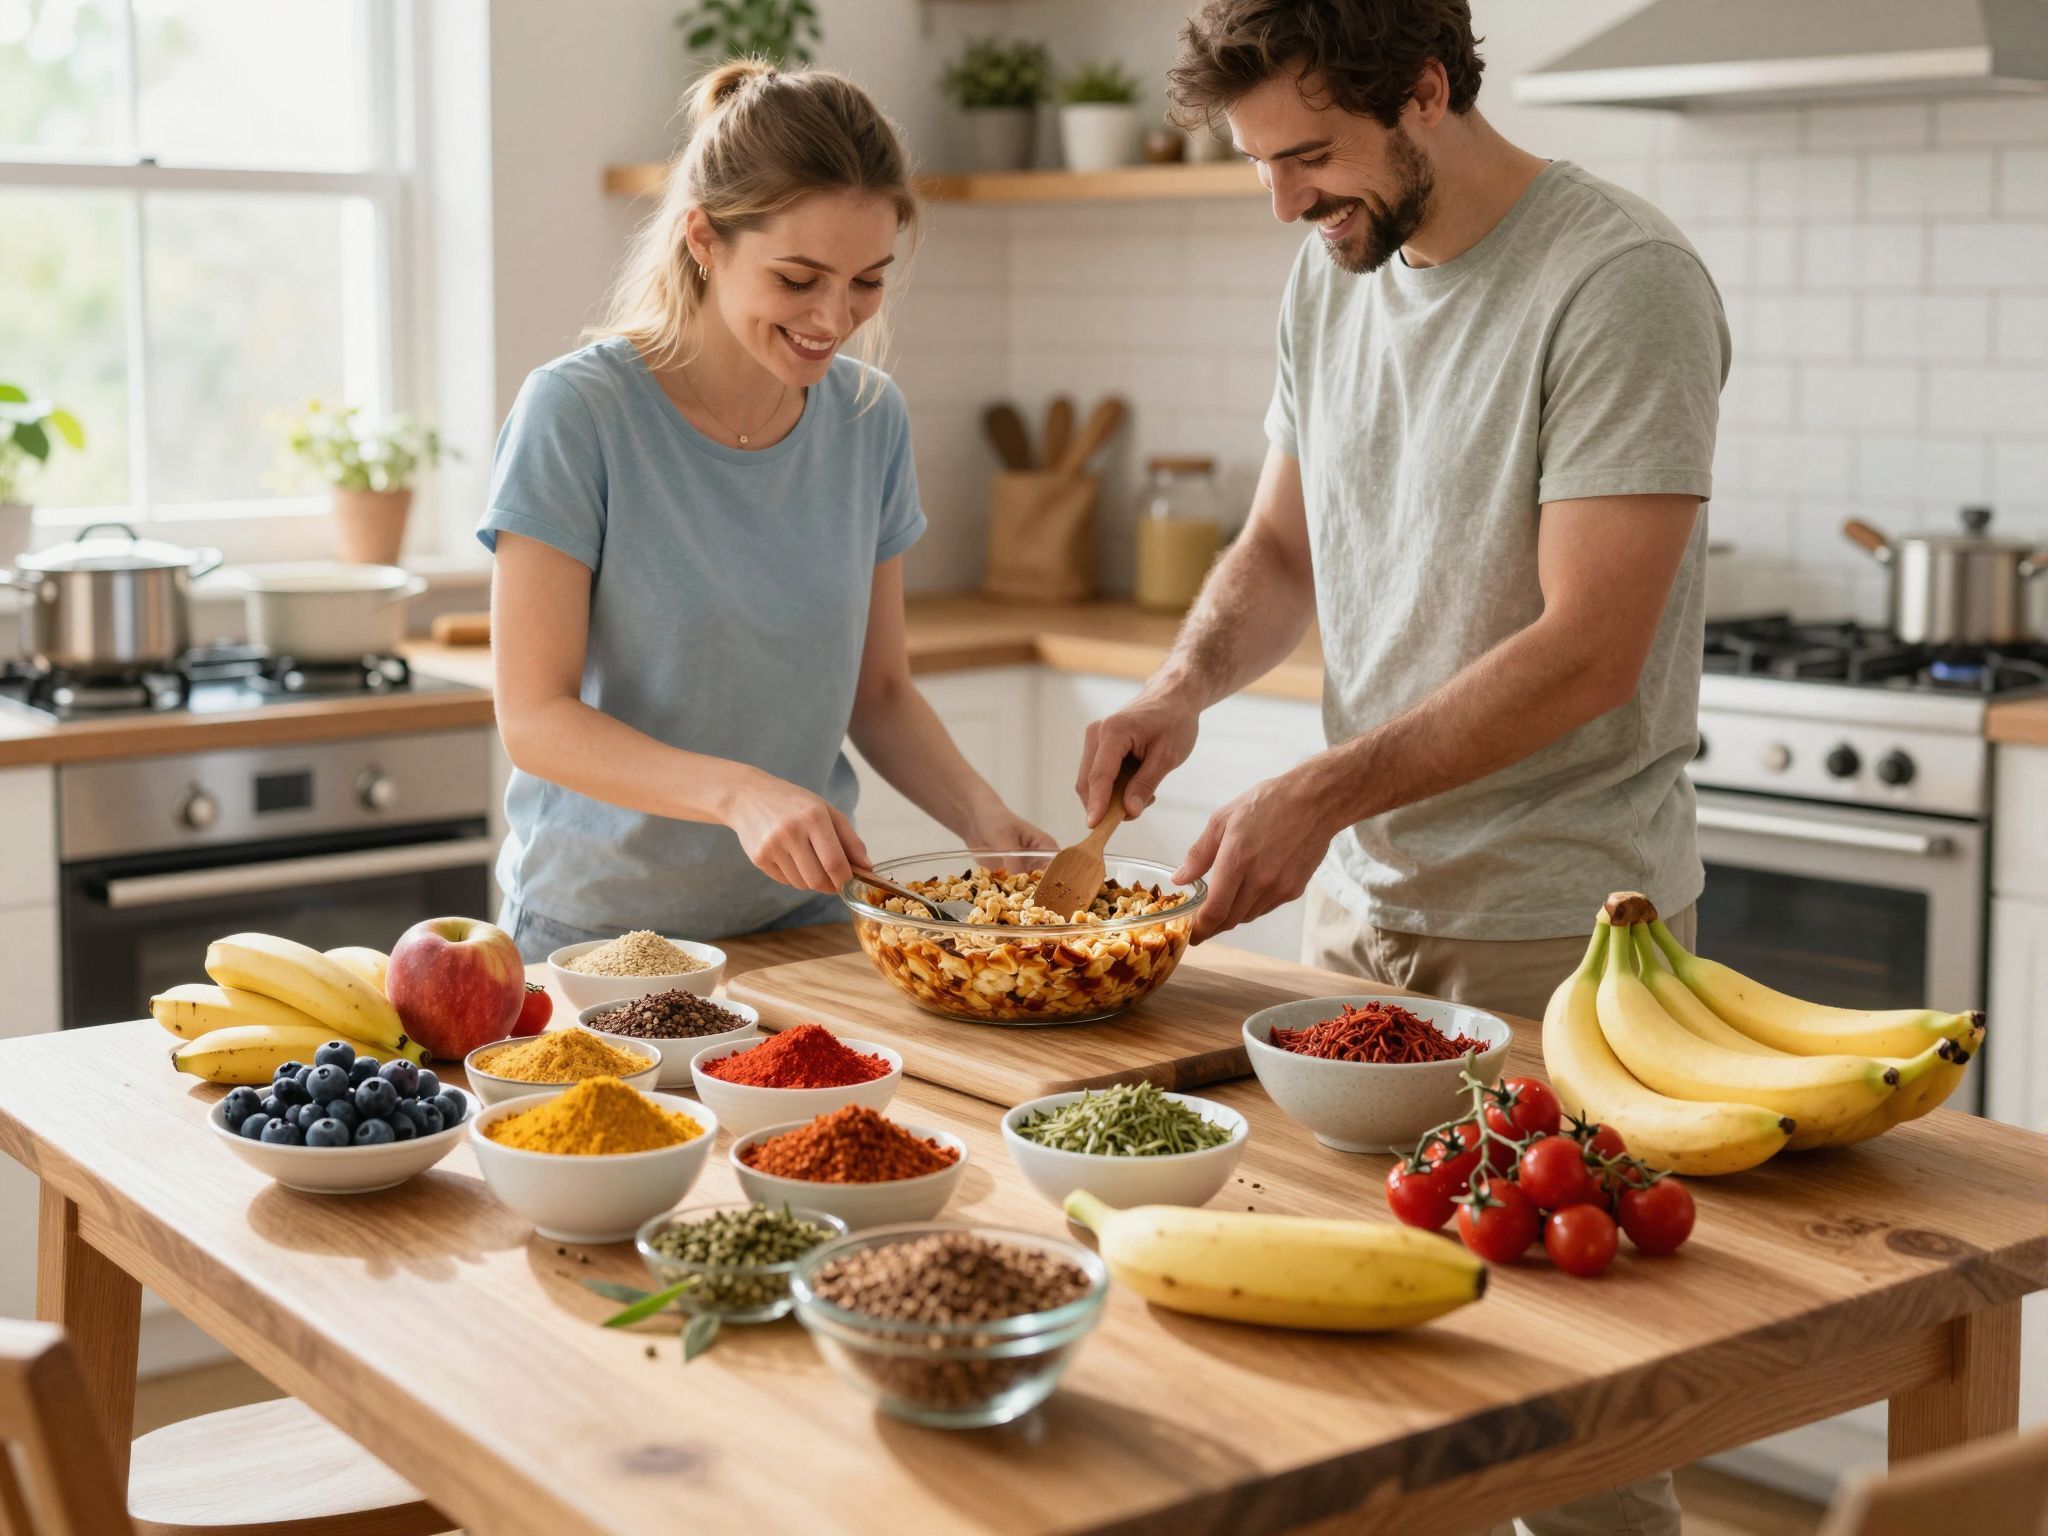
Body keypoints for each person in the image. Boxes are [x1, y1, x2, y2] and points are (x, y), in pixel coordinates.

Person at [1073, 4, 1729, 1534]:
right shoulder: (1332, 273)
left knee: (1577, 1427)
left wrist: (1320, 789)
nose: (1287, 201)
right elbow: (1283, 547)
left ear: (1425, 93)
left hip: (1558, 937)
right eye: (1260, 164)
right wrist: (1182, 687)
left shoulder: (1618, 281)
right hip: (1363, 927)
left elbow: (1591, 649)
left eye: (1309, 155)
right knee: (1359, 1380)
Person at [483, 60, 1046, 962]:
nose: (834, 316)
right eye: (798, 279)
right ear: (704, 239)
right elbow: (536, 717)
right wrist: (740, 793)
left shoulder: (868, 419)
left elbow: (881, 691)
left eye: (867, 281)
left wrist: (986, 818)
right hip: (602, 934)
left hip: (805, 923)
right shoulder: (578, 414)